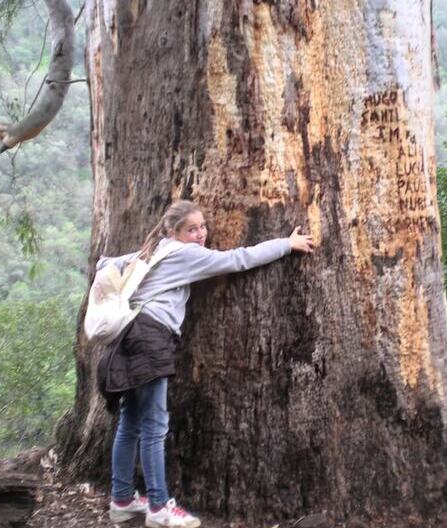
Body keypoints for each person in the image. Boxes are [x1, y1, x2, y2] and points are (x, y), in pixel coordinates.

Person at [99, 200, 314, 527]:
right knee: (154, 426)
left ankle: (122, 499)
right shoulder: (185, 254)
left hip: (128, 336)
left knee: (131, 420)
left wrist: (103, 264)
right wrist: (287, 244)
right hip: (150, 339)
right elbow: (237, 259)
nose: (201, 234)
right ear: (175, 231)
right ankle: (158, 508)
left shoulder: (155, 249)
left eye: (203, 226)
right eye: (192, 229)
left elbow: (109, 264)